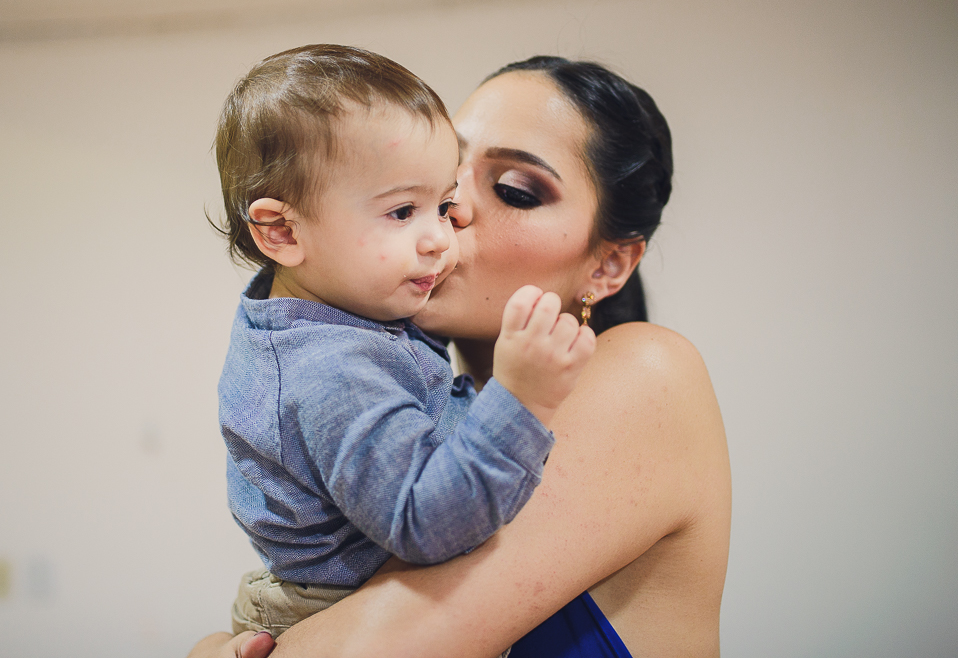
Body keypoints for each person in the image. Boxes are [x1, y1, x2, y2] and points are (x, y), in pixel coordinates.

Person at [190, 55, 730, 658]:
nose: (448, 211)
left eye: (514, 190)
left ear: (607, 264)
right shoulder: (388, 390)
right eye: (441, 177)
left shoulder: (648, 374)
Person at [214, 46, 596, 639]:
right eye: (401, 212)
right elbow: (427, 521)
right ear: (283, 231)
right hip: (332, 613)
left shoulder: (337, 312)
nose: (441, 235)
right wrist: (521, 400)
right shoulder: (332, 369)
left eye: (440, 205)